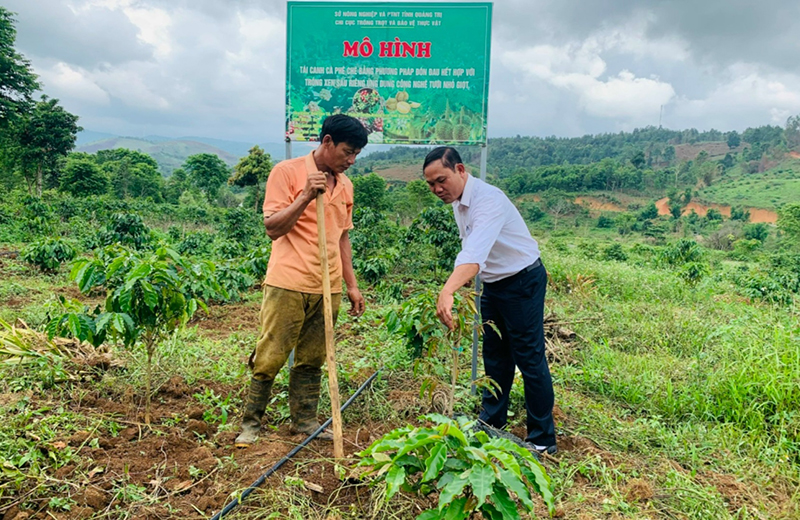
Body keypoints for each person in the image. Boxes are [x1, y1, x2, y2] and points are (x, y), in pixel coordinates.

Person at [235, 114, 368, 447]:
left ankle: (304, 421)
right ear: (326, 142)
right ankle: (251, 423)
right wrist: (305, 195)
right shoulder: (287, 173)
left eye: (356, 155)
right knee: (272, 354)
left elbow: (342, 239)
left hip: (328, 285)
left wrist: (351, 285)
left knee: (313, 356)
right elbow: (273, 227)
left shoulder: (346, 185)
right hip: (288, 282)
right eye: (347, 152)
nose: (351, 161)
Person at [422, 146, 557, 454]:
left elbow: (474, 255)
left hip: (522, 281)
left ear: (460, 170)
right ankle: (492, 422)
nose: (437, 189)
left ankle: (542, 439)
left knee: (528, 357)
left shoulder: (488, 201)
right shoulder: (459, 202)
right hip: (495, 284)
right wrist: (463, 283)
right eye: (430, 184)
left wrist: (448, 290)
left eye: (441, 180)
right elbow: (470, 250)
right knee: (495, 355)